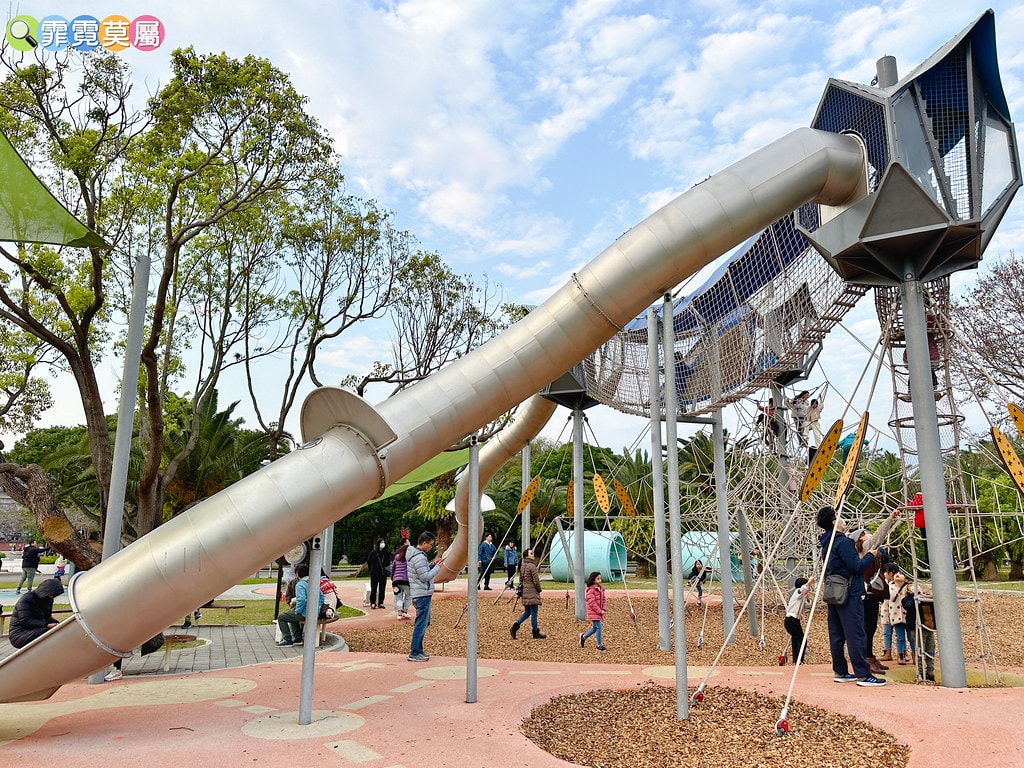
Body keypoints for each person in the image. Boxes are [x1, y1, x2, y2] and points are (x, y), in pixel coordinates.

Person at [816, 506, 885, 687]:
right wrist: (870, 556)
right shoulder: (842, 542)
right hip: (849, 592)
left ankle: (840, 670)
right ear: (833, 521)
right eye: (838, 517)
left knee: (837, 633)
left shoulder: (826, 542)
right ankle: (863, 674)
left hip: (833, 591)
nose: (842, 520)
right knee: (855, 633)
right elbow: (856, 566)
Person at [851, 508, 900, 676]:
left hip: (867, 593)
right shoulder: (865, 548)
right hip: (868, 594)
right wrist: (890, 518)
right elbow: (880, 534)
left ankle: (870, 657)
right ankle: (867, 659)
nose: (869, 533)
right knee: (868, 627)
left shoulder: (863, 551)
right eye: (865, 532)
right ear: (860, 538)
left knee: (869, 627)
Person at [407, 531, 443, 661]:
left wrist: (432, 565)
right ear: (424, 543)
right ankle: (415, 652)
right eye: (431, 544)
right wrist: (437, 568)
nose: (431, 547)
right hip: (422, 594)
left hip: (421, 593)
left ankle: (418, 650)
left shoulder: (416, 555)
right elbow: (424, 576)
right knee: (421, 624)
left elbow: (423, 571)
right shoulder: (419, 557)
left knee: (424, 622)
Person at [9, 577, 63, 648]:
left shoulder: (48, 599)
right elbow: (25, 621)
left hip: (34, 630)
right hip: (19, 634)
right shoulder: (26, 599)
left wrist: (58, 624)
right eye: (52, 595)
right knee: (48, 631)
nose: (53, 597)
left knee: (58, 630)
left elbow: (47, 617)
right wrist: (46, 625)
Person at [276, 564, 323, 646]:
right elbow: (322, 597)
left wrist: (298, 611)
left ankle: (287, 639)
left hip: (305, 613)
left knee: (281, 617)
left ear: (298, 574)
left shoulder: (300, 584)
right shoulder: (313, 582)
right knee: (291, 615)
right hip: (315, 612)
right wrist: (318, 608)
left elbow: (301, 600)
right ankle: (297, 638)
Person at [510, 548, 545, 640]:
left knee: (527, 612)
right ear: (527, 556)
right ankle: (535, 632)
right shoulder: (532, 566)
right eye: (531, 553)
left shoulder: (523, 566)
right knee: (534, 613)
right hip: (532, 592)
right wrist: (539, 589)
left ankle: (515, 627)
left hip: (525, 592)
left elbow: (521, 581)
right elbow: (536, 581)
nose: (533, 554)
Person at [784, 575, 814, 664]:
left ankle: (796, 659)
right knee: (801, 639)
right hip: (791, 619)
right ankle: (799, 659)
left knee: (796, 638)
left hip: (793, 620)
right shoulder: (797, 592)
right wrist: (809, 582)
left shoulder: (801, 597)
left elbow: (808, 606)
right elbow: (803, 589)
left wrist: (808, 599)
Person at [579, 571, 607, 651]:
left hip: (599, 611)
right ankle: (599, 645)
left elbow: (604, 599)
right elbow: (592, 603)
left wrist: (603, 609)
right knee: (598, 627)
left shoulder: (601, 589)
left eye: (600, 578)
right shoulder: (591, 590)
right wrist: (599, 611)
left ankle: (583, 637)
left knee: (595, 628)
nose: (600, 580)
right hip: (594, 612)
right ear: (593, 580)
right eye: (598, 579)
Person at [367, 537, 390, 609]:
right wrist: (371, 570)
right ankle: (373, 602)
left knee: (382, 589)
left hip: (383, 574)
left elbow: (388, 562)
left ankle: (381, 602)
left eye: (383, 542)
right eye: (381, 542)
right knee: (373, 588)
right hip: (374, 573)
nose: (382, 544)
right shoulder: (373, 553)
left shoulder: (386, 553)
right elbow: (369, 562)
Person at [391, 538, 411, 620]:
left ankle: (399, 613)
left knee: (398, 597)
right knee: (408, 595)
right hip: (406, 581)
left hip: (396, 581)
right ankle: (405, 611)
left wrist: (393, 578)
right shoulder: (409, 558)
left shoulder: (396, 558)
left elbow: (393, 569)